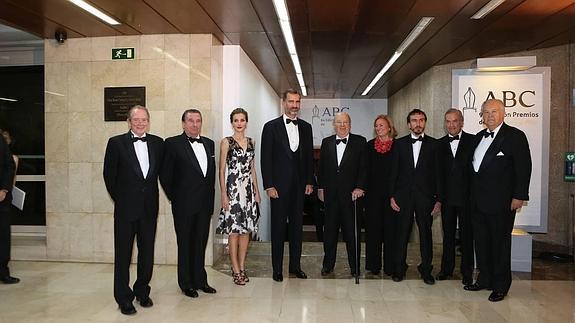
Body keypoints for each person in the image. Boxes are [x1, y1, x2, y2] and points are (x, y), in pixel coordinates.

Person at [465, 99, 531, 302]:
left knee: (500, 244)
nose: (490, 116)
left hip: (501, 202)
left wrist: (519, 196)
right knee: (482, 243)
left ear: (503, 113)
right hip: (477, 202)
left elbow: (523, 167)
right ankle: (484, 279)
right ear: (481, 116)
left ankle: (501, 285)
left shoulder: (515, 136)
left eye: (494, 111)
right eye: (486, 112)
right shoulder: (478, 137)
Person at [103, 105, 164, 315]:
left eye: (144, 119)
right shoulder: (116, 143)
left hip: (149, 209)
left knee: (147, 253)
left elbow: (162, 174)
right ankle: (123, 297)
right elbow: (109, 176)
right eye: (136, 120)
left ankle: (142, 292)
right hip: (126, 209)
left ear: (148, 121)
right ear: (129, 122)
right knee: (123, 255)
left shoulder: (157, 143)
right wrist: (121, 199)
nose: (140, 123)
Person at [160, 109, 217, 298]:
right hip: (183, 204)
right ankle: (186, 283)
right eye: (190, 121)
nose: (195, 124)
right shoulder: (172, 144)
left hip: (204, 204)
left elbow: (208, 176)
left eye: (198, 120)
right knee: (185, 243)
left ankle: (201, 280)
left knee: (200, 243)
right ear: (183, 123)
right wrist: (175, 197)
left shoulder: (209, 144)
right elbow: (165, 175)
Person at [261, 89, 314, 282]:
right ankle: (277, 269)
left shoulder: (307, 128)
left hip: (300, 187)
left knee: (297, 229)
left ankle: (295, 266)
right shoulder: (270, 127)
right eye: (291, 101)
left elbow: (308, 157)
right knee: (278, 228)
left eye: (297, 102)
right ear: (284, 103)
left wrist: (309, 181)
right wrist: (269, 185)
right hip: (278, 188)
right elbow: (265, 159)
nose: (294, 105)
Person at [389, 108, 441, 284]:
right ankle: (399, 268)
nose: (417, 123)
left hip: (426, 198)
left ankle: (426, 270)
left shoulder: (435, 145)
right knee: (401, 234)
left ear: (425, 122)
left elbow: (438, 175)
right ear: (408, 124)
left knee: (426, 235)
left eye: (421, 120)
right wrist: (392, 196)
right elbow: (393, 173)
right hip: (403, 198)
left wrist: (438, 200)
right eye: (414, 120)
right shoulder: (399, 144)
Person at [317, 112, 367, 277]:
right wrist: (321, 188)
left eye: (345, 122)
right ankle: (328, 265)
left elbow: (363, 168)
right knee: (329, 233)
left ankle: (355, 267)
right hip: (331, 196)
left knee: (352, 234)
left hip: (352, 197)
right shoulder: (326, 142)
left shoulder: (360, 142)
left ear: (350, 125)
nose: (342, 125)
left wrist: (360, 187)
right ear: (334, 125)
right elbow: (322, 168)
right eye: (339, 122)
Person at [216, 108, 261, 286]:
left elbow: (252, 169)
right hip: (233, 192)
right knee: (234, 233)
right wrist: (223, 194)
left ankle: (242, 267)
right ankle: (235, 269)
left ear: (246, 122)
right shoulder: (226, 142)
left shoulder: (251, 142)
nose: (239, 123)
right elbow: (221, 170)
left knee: (246, 233)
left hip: (248, 193)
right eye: (236, 120)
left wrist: (257, 192)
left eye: (242, 120)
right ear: (232, 123)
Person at [436, 109, 475, 285]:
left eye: (455, 121)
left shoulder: (473, 141)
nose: (451, 124)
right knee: (448, 235)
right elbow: (436, 174)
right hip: (447, 199)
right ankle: (446, 269)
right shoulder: (439, 144)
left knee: (467, 236)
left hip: (467, 199)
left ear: (462, 122)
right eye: (448, 121)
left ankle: (467, 272)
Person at [364, 115, 397, 276]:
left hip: (392, 196)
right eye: (376, 125)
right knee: (373, 231)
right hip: (373, 196)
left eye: (382, 125)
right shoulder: (369, 146)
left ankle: (391, 266)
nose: (378, 128)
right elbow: (364, 171)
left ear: (389, 127)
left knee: (391, 231)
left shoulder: (398, 146)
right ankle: (373, 265)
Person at [0, 134, 18, 284]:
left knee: (3, 236)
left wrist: (4, 189)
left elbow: (9, 165)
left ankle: (3, 272)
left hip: (1, 199)